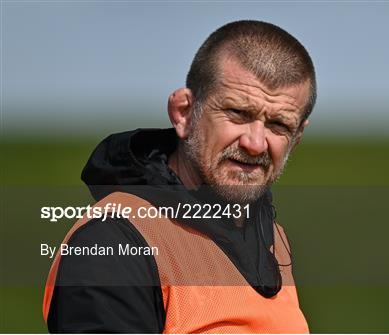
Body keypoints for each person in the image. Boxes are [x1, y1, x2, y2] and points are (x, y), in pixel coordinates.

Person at [43, 20, 316, 333]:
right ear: (184, 113)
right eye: (238, 114)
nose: (255, 144)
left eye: (278, 125)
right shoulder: (114, 241)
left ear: (296, 138)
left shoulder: (272, 237)